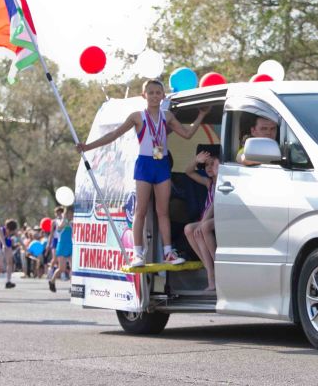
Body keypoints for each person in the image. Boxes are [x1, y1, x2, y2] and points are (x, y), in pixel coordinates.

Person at [78, 79, 209, 267]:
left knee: (162, 212)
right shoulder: (137, 117)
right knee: (140, 210)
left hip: (162, 164)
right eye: (151, 92)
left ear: (163, 96)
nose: (155, 96)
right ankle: (137, 254)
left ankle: (168, 253)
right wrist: (87, 146)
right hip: (145, 165)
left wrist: (201, 116)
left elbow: (187, 134)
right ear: (144, 95)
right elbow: (114, 135)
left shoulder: (167, 116)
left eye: (158, 92)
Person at [184, 151, 218, 291]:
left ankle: (217, 268)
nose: (209, 167)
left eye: (213, 164)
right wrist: (196, 160)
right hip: (207, 219)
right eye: (206, 165)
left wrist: (203, 221)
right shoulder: (209, 183)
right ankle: (209, 267)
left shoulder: (223, 184)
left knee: (203, 228)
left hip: (219, 217)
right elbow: (188, 171)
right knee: (189, 229)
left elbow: (213, 206)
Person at [49, 207, 73, 292]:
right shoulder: (58, 221)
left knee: (73, 267)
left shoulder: (71, 222)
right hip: (62, 246)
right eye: (70, 213)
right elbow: (59, 227)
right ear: (66, 214)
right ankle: (52, 281)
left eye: (72, 214)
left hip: (70, 245)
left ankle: (72, 286)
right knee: (62, 268)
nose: (71, 215)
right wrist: (64, 219)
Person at [2, 219, 18, 288]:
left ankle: (8, 281)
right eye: (10, 231)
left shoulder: (13, 231)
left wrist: (26, 249)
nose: (11, 232)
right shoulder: (1, 230)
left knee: (10, 262)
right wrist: (3, 246)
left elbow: (19, 238)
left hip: (7, 245)